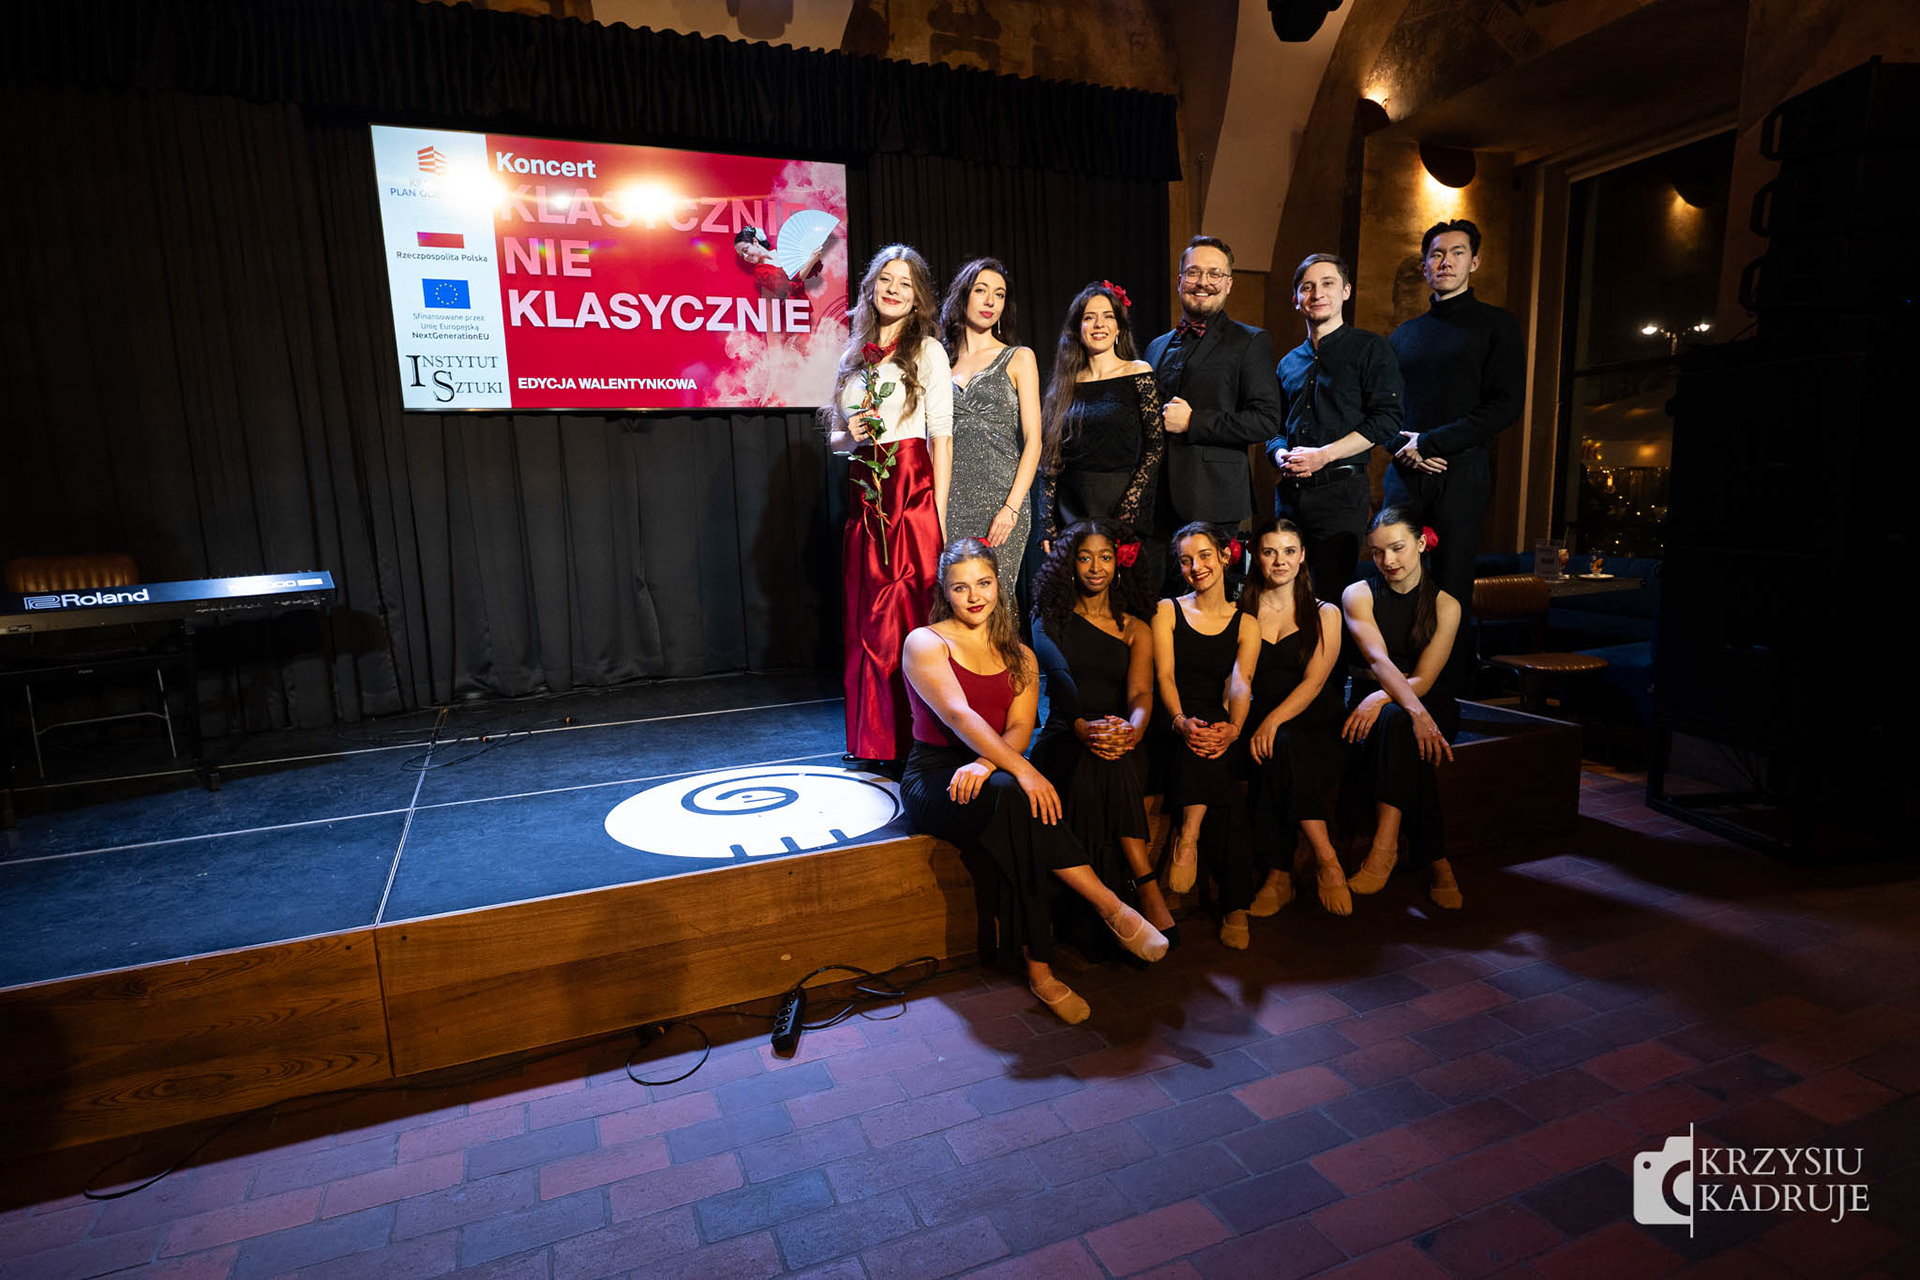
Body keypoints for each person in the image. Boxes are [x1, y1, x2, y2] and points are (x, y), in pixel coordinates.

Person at [902, 539, 1168, 1024]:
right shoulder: (925, 642)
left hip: (990, 771)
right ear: (944, 591)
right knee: (1017, 799)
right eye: (961, 587)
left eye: (984, 583)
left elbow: (1022, 729)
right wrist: (1023, 770)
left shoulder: (1020, 655)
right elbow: (959, 715)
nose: (974, 596)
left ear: (999, 585)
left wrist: (989, 765)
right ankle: (1110, 909)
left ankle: (1042, 969)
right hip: (936, 775)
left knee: (1014, 812)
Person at [825, 245, 953, 764]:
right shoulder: (851, 357)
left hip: (912, 495)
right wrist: (849, 435)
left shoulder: (928, 352)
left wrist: (938, 514)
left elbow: (941, 436)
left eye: (905, 282)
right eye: (885, 279)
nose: (894, 289)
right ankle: (873, 740)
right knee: (869, 621)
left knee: (910, 616)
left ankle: (917, 739)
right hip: (866, 496)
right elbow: (835, 438)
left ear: (918, 296)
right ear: (871, 288)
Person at [1386, 220, 1527, 683]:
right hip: (1404, 470)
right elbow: (1380, 410)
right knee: (1395, 577)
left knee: (1451, 584)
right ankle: (1395, 685)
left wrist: (1432, 442)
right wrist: (1404, 446)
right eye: (1436, 254)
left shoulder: (1497, 325)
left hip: (1460, 470)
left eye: (1457, 253)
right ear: (1425, 265)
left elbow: (1506, 405)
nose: (1445, 261)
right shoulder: (1403, 335)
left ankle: (1448, 691)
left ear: (1475, 262)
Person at [1029, 520, 1177, 948]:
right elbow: (1061, 682)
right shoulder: (1048, 619)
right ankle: (1145, 885)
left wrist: (1132, 731)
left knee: (1111, 763)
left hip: (1120, 733)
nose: (1096, 567)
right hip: (1065, 732)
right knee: (1097, 764)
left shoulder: (1135, 627)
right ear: (1070, 565)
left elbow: (1142, 694)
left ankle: (1102, 913)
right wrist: (1083, 728)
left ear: (1118, 563)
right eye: (1085, 557)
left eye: (1105, 557)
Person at [1340, 508, 1465, 910]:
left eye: (1397, 548)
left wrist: (1386, 700)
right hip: (1375, 699)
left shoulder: (1446, 605)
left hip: (1425, 700)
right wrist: (1410, 711)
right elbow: (1377, 659)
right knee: (1402, 729)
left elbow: (1424, 679)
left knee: (1397, 720)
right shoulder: (1358, 594)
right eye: (1377, 552)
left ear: (1421, 543)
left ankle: (1384, 847)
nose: (1388, 560)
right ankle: (1438, 861)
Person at [1143, 236, 1284, 588]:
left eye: (1214, 274)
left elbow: (1266, 420)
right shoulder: (1156, 346)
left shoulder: (1250, 341)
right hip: (1154, 503)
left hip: (1213, 498)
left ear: (1229, 283)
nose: (1202, 282)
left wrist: (1194, 421)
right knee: (1155, 601)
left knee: (1204, 602)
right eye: (1193, 273)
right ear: (1180, 280)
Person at [1268, 253, 1405, 600]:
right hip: (1290, 495)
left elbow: (1387, 419)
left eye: (1327, 284)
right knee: (1283, 596)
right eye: (1307, 287)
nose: (1317, 294)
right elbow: (1273, 428)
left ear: (1346, 291)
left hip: (1340, 494)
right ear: (1296, 299)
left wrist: (1323, 455)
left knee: (1330, 598)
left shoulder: (1370, 348)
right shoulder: (1288, 363)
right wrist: (1280, 454)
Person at [1151, 523, 1262, 948]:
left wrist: (1234, 729)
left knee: (1217, 755)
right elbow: (1164, 676)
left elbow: (1241, 683)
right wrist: (1180, 721)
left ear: (1224, 556)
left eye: (1203, 556)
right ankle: (1236, 907)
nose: (1195, 567)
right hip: (1171, 720)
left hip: (1218, 724)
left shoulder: (1246, 623)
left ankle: (1189, 837)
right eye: (1185, 560)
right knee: (1221, 780)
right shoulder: (1167, 610)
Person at [1239, 517, 1352, 916]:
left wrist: (1272, 722)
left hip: (1317, 720)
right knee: (1277, 749)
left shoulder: (1325, 613)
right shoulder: (1242, 611)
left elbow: (1315, 682)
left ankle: (1286, 873)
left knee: (1283, 745)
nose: (1280, 561)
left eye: (1289, 551)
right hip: (1263, 718)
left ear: (1303, 556)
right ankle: (1320, 860)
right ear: (1257, 557)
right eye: (1270, 552)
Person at [1038, 282, 1164, 552]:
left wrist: (1131, 504)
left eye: (1108, 316)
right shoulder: (1065, 383)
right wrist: (1046, 521)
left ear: (1119, 327)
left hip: (1122, 501)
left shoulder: (1138, 372)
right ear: (1077, 328)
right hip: (1070, 507)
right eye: (1089, 317)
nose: (1099, 324)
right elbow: (1050, 459)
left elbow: (1154, 447)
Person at [940, 258, 1043, 591]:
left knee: (996, 596)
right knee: (955, 595)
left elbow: (1034, 441)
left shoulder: (1019, 357)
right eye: (981, 291)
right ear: (963, 296)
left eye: (999, 295)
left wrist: (1011, 507)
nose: (990, 301)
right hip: (950, 503)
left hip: (1003, 502)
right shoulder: (940, 363)